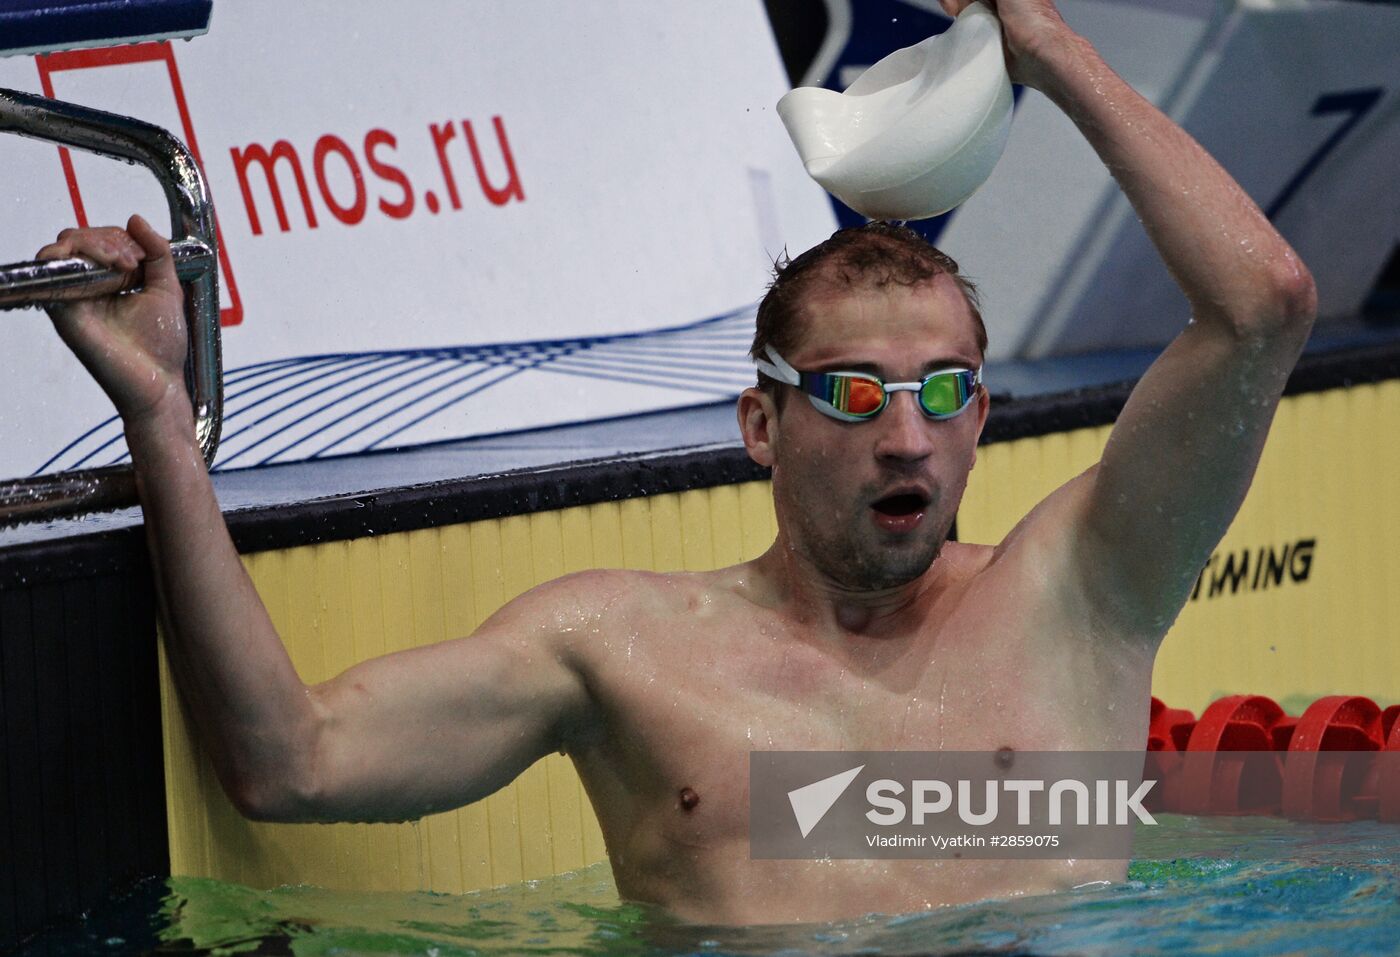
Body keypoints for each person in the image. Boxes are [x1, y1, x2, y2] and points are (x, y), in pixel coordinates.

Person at [38, 0, 1314, 927]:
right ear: (760, 426)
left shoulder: (1079, 596)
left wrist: (1050, 52)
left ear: (981, 416)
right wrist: (160, 419)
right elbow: (291, 764)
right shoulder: (621, 652)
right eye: (855, 394)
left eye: (940, 394)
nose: (906, 434)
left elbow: (1260, 304)